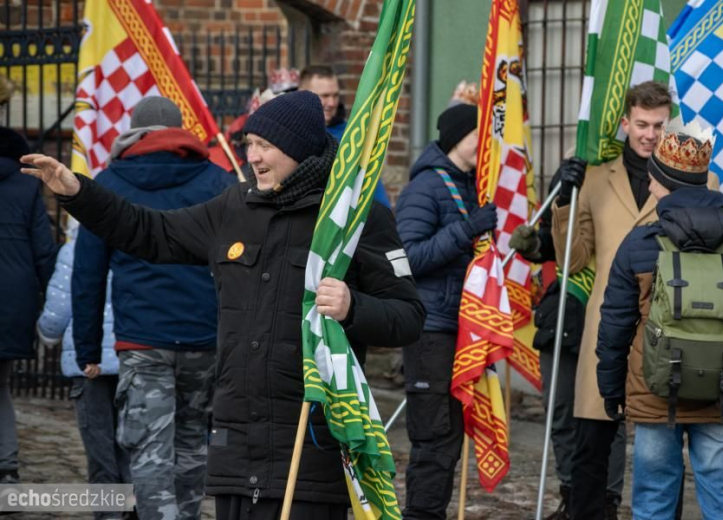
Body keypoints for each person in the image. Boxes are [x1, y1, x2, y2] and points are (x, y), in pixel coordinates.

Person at [21, 89, 425, 520]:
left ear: (299, 148)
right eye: (249, 144)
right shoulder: (235, 206)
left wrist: (353, 307)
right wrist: (76, 192)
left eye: (265, 146)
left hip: (308, 449)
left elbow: (408, 317)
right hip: (237, 447)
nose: (253, 156)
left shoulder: (355, 218)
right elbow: (148, 231)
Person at [550, 81, 718, 519]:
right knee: (591, 447)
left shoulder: (702, 180)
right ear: (625, 122)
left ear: (669, 125)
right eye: (641, 124)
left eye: (659, 125)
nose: (649, 134)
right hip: (606, 330)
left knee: (663, 453)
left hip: (672, 328)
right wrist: (562, 201)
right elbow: (575, 258)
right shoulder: (594, 178)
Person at [596, 130, 723, 519]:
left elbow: (614, 326)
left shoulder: (639, 244)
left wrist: (612, 390)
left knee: (653, 506)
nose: (649, 182)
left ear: (662, 182)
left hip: (655, 393)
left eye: (653, 175)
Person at [70, 96, 236, 520]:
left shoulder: (108, 184)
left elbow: (88, 274)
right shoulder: (218, 181)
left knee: (148, 448)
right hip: (204, 335)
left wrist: (87, 349)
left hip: (142, 339)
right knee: (193, 440)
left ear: (132, 132)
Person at [395, 103, 498, 519]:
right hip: (431, 331)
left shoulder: (472, 182)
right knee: (435, 440)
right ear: (460, 137)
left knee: (450, 439)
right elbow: (406, 259)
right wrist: (466, 229)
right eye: (481, 135)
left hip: (462, 327)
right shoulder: (427, 187)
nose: (487, 144)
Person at [508, 158, 588, 519]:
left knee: (606, 420)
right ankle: (570, 496)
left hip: (608, 313)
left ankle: (605, 502)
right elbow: (551, 246)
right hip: (564, 314)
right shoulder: (578, 169)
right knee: (561, 411)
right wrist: (558, 200)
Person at [37, 220, 132, 520]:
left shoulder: (75, 246)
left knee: (100, 454)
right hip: (134, 355)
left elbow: (59, 306)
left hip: (87, 363)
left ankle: (109, 516)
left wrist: (48, 333)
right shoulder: (137, 241)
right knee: (133, 448)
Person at [0, 126, 57, 484]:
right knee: (1, 385)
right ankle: (6, 465)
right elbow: (44, 252)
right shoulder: (26, 187)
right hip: (13, 301)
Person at [299, 64, 391, 208]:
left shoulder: (353, 137)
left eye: (335, 95)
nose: (331, 103)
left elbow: (372, 190)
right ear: (303, 94)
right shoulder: (290, 135)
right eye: (324, 96)